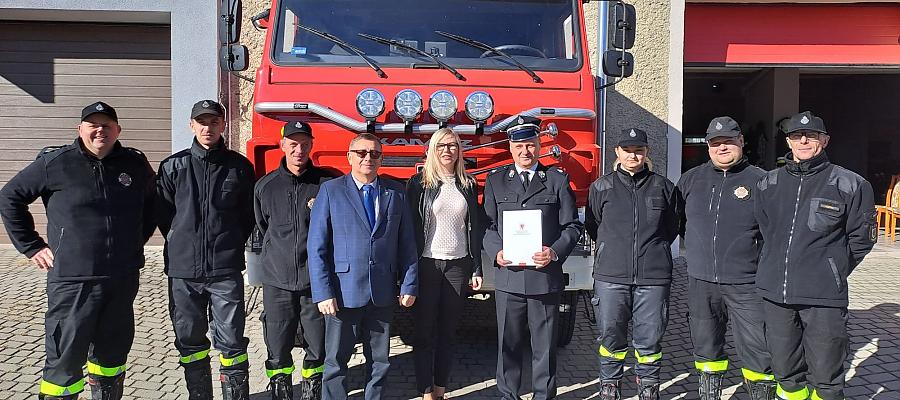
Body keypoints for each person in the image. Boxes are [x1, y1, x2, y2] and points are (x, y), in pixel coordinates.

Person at [0, 102, 155, 400]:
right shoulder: (55, 163)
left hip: (121, 279)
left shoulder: (134, 163)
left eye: (107, 125)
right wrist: (31, 246)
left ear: (118, 130)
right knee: (65, 361)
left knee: (112, 358)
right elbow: (10, 197)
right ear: (80, 129)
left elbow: (152, 204)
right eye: (93, 124)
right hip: (73, 282)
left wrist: (136, 241)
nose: (100, 130)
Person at [755, 111, 876, 400]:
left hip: (823, 298)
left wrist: (831, 269)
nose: (804, 140)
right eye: (797, 136)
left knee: (826, 375)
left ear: (825, 140)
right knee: (785, 370)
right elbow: (764, 230)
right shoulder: (768, 184)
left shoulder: (851, 184)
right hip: (775, 295)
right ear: (788, 141)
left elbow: (861, 239)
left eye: (811, 135)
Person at [156, 99, 256, 400]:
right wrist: (180, 240)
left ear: (223, 125)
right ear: (192, 125)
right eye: (202, 122)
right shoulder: (173, 166)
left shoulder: (239, 167)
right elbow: (162, 215)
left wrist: (229, 244)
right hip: (183, 271)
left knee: (232, 341)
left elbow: (248, 215)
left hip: (224, 271)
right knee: (189, 340)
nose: (207, 127)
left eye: (214, 122)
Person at [307, 133, 418, 400]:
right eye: (361, 153)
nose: (368, 158)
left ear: (381, 158)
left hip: (382, 292)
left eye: (375, 153)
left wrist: (409, 283)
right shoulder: (331, 191)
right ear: (349, 157)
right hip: (342, 293)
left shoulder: (395, 193)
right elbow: (316, 246)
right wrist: (323, 292)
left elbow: (407, 244)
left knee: (379, 362)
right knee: (335, 362)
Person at [482, 116, 583, 400]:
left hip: (543, 277)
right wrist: (496, 251)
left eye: (530, 145)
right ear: (511, 149)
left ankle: (544, 395)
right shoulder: (496, 181)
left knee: (544, 346)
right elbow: (487, 225)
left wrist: (554, 251)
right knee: (507, 344)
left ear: (539, 146)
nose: (525, 152)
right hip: (509, 277)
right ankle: (508, 395)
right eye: (519, 147)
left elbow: (572, 226)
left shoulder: (557, 180)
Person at [677, 117, 774, 400]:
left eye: (728, 142)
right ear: (708, 147)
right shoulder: (691, 180)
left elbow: (773, 231)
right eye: (716, 143)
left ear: (741, 142)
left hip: (748, 282)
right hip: (701, 280)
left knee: (758, 346)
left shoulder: (762, 181)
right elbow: (678, 222)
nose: (722, 148)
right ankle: (710, 393)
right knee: (706, 344)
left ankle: (760, 393)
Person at [584, 128, 680, 400]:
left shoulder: (663, 187)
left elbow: (672, 226)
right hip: (611, 275)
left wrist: (653, 251)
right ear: (617, 152)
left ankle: (648, 386)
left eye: (639, 150)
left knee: (649, 338)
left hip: (653, 277)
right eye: (627, 150)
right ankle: (610, 384)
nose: (633, 155)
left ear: (647, 152)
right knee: (611, 335)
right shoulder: (601, 187)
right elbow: (593, 225)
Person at [254, 121, 335, 399]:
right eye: (292, 143)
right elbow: (263, 228)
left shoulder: (326, 185)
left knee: (318, 343)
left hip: (315, 282)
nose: (298, 149)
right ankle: (281, 391)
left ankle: (312, 392)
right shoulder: (266, 186)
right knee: (277, 343)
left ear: (312, 145)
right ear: (283, 145)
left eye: (304, 143)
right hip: (277, 280)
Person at [406, 128, 484, 400]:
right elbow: (411, 228)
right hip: (427, 263)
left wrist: (476, 268)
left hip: (457, 266)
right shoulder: (419, 183)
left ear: (459, 150)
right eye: (441, 146)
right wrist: (408, 273)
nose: (447, 151)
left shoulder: (468, 184)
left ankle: (440, 389)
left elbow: (475, 228)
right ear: (432, 150)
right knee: (424, 332)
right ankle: (426, 391)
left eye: (452, 145)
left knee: (448, 333)